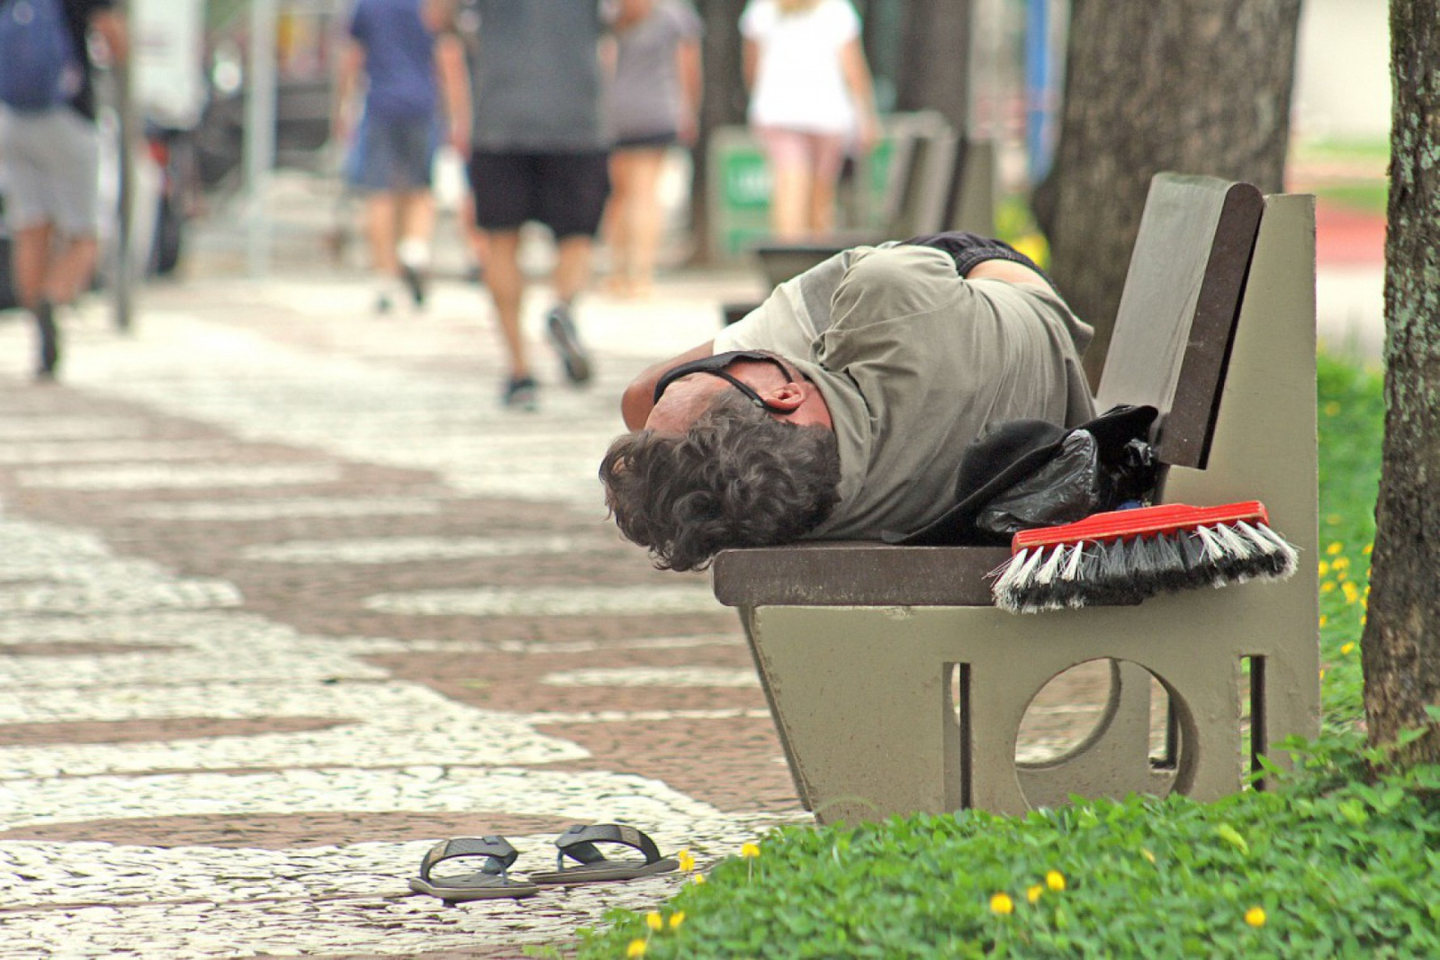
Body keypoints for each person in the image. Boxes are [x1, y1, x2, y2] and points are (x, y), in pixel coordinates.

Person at [599, 234, 1097, 571]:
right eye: (723, 366)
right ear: (784, 394)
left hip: (1027, 411)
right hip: (1016, 297)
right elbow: (645, 393)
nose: (723, 360)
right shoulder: (883, 299)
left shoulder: (778, 514)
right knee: (928, 250)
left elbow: (641, 409)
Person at [464, 0, 610, 410]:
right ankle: (562, 308)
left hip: (498, 117)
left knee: (501, 242)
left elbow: (436, 16)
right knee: (577, 236)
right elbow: (637, 10)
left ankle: (519, 371)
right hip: (577, 118)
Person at [0, 0, 127, 380]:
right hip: (69, 116)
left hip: (13, 119)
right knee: (86, 233)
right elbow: (114, 36)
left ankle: (35, 330)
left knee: (30, 226)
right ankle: (52, 298)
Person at [335, 0, 468, 315]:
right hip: (423, 106)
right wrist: (457, 115)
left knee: (378, 192)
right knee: (420, 189)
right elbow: (447, 58)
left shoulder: (368, 6)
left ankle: (383, 279)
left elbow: (353, 57)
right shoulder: (432, 5)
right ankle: (415, 250)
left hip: (379, 105)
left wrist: (342, 108)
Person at [740, 0, 878, 241]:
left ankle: (787, 265)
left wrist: (759, 97)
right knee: (821, 198)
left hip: (777, 109)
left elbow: (751, 66)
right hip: (827, 111)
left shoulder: (761, 9)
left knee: (789, 189)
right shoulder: (837, 9)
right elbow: (853, 66)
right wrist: (866, 115)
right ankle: (817, 267)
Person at [600, 0, 702, 299]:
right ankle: (641, 275)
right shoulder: (675, 14)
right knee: (646, 194)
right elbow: (687, 67)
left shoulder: (612, 12)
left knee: (618, 196)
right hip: (657, 111)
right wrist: (689, 110)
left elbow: (603, 60)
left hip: (615, 112)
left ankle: (616, 273)